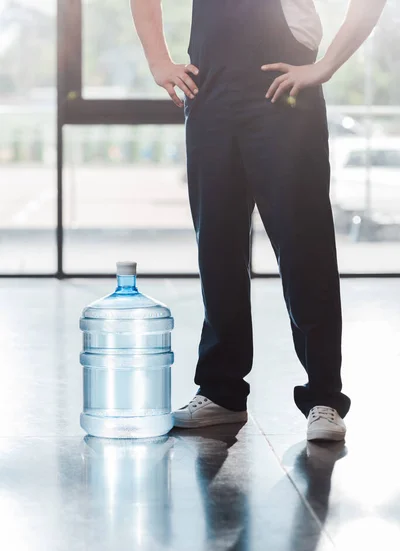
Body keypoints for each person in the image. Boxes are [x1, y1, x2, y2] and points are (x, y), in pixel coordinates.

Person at [131, 0, 387, 441]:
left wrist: (325, 66)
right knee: (217, 248)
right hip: (209, 94)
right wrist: (158, 60)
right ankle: (222, 392)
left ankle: (324, 397)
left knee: (304, 248)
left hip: (286, 92)